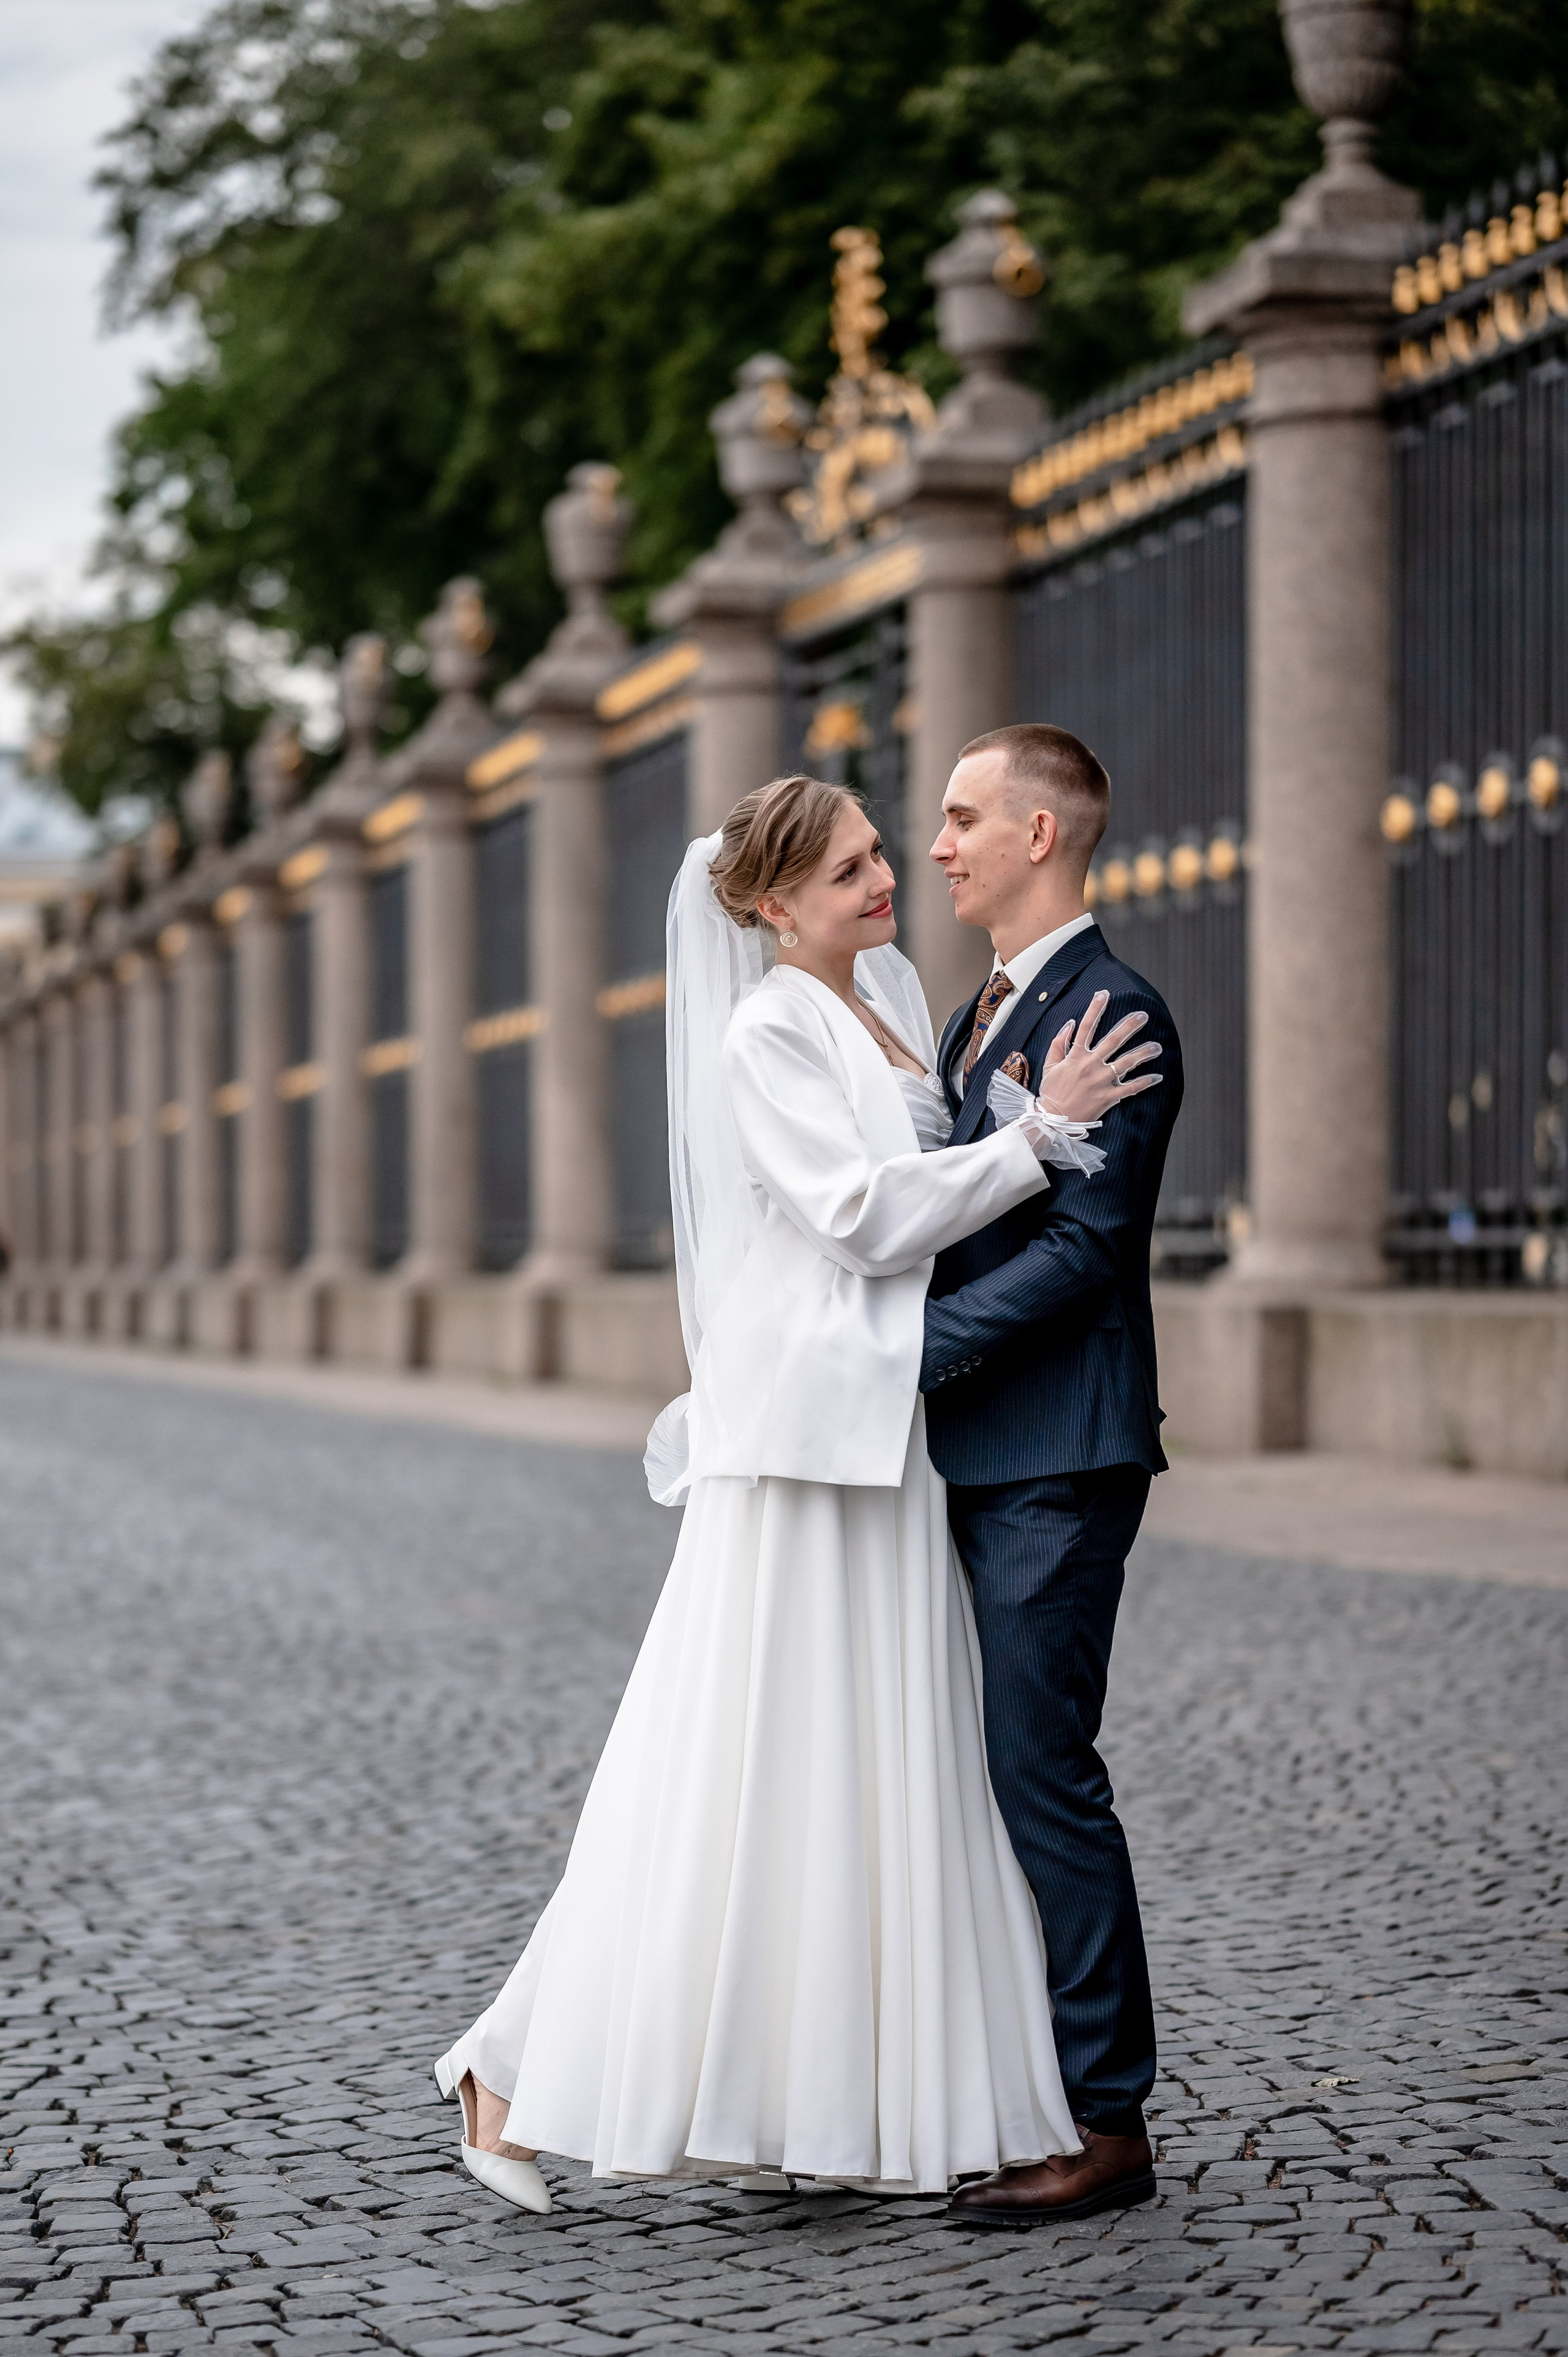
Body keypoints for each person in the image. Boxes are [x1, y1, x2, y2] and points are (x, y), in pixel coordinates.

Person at [434, 772, 1161, 2212]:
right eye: (845, 872)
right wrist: (1031, 1138)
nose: (884, 879)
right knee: (723, 1766)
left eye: (880, 852)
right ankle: (506, 2068)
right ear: (769, 905)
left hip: (882, 1440)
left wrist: (1010, 1131)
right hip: (811, 1446)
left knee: (855, 1776)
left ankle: (829, 2095)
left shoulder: (891, 1000)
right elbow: (856, 1217)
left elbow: (920, 1183)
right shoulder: (765, 1027)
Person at [923, 724, 1184, 2227]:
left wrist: (904, 1351)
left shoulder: (1115, 1010)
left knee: (1042, 1770)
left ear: (1041, 833)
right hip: (975, 1448)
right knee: (980, 1772)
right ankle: (1016, 2078)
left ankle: (1106, 2118)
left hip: (1057, 1454)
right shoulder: (983, 1011)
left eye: (963, 818)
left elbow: (1088, 1254)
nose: (939, 844)